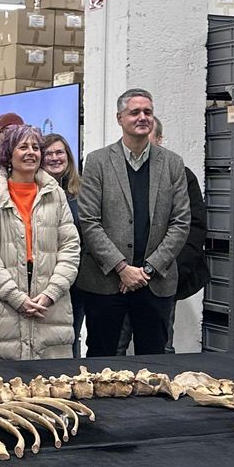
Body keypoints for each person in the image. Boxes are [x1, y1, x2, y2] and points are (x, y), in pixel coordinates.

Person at [75, 88, 190, 357]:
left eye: (148, 112)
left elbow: (181, 221)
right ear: (120, 118)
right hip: (105, 282)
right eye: (134, 112)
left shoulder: (172, 163)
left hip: (154, 282)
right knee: (101, 360)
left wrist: (146, 270)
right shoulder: (98, 161)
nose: (142, 117)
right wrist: (122, 268)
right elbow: (89, 220)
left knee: (154, 362)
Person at [0, 125, 80, 361]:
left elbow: (70, 248)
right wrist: (16, 297)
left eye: (35, 147)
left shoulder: (56, 195)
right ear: (8, 154)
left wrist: (52, 292)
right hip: (5, 308)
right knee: (7, 380)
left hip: (52, 306)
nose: (31, 152)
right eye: (23, 147)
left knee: (53, 380)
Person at [115, 118, 210, 354]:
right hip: (120, 283)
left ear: (159, 139)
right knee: (112, 353)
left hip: (161, 282)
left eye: (146, 135)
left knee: (159, 356)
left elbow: (192, 231)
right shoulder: (115, 175)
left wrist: (154, 272)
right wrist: (120, 269)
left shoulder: (181, 176)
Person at [41, 133, 85, 358]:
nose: (54, 158)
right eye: (48, 153)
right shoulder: (36, 192)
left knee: (71, 337)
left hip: (77, 281)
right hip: (45, 280)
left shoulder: (82, 192)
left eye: (59, 152)